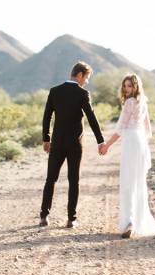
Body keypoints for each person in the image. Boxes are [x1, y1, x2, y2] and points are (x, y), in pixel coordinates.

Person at [101, 73, 155, 238]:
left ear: (136, 86)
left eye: (129, 86)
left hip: (131, 143)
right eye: (125, 86)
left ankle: (129, 222)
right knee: (138, 182)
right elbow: (148, 130)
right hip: (140, 143)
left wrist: (107, 146)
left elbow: (120, 130)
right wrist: (143, 145)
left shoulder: (130, 103)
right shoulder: (143, 102)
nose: (126, 89)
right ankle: (138, 222)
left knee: (128, 182)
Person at [39, 61, 106, 228]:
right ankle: (71, 219)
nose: (87, 81)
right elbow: (91, 117)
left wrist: (46, 139)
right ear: (80, 75)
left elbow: (47, 116)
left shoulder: (55, 91)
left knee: (51, 179)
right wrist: (100, 140)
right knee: (73, 180)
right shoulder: (82, 93)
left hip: (57, 143)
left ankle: (44, 217)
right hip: (75, 144)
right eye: (87, 77)